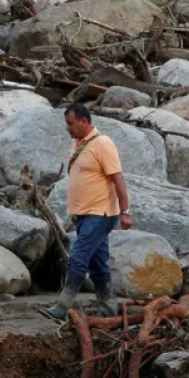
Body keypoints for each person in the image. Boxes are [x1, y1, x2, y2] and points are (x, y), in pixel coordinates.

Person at [40, 104, 133, 321]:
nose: (67, 128)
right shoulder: (79, 144)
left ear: (84, 121)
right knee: (97, 263)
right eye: (66, 123)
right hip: (86, 214)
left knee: (78, 257)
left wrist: (125, 211)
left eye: (70, 123)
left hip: (100, 214)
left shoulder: (103, 144)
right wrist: (77, 211)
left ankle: (62, 308)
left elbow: (118, 179)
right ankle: (110, 311)